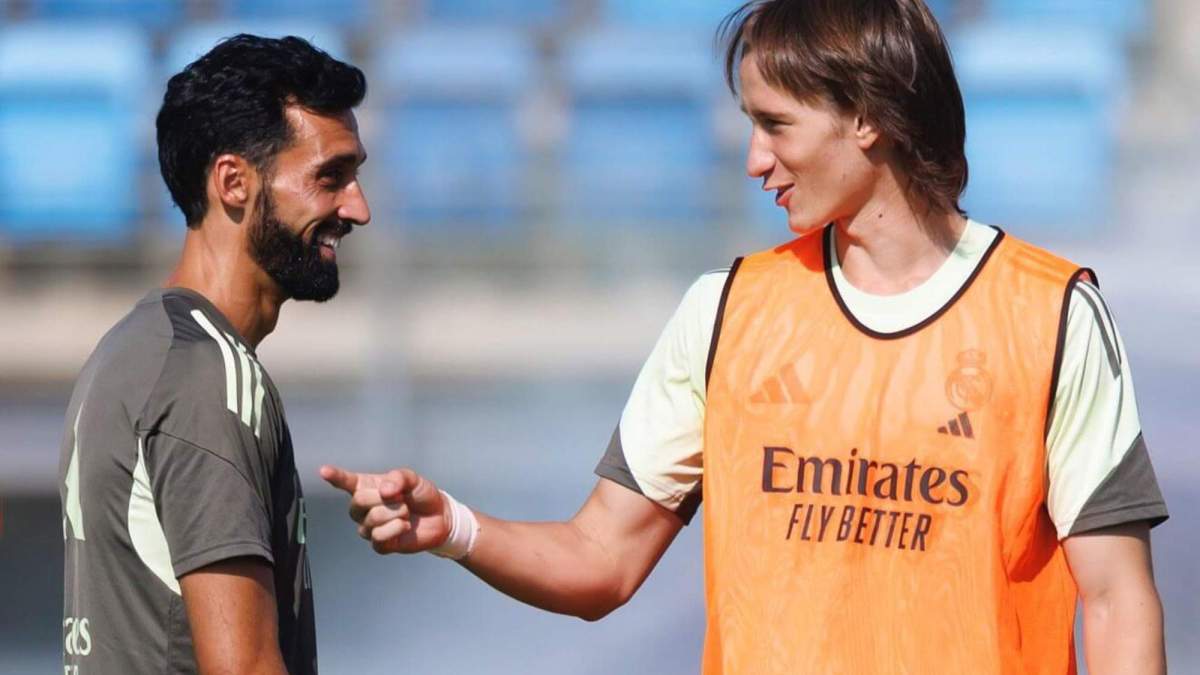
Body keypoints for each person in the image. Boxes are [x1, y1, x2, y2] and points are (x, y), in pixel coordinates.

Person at [321, 1, 1168, 672]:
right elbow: (601, 557)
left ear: (866, 117)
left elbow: (1116, 600)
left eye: (776, 123)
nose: (754, 158)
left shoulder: (1052, 313)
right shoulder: (727, 310)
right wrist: (456, 527)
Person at [59, 34, 369, 674]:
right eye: (330, 177)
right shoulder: (207, 373)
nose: (357, 208)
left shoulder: (134, 349)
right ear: (234, 182)